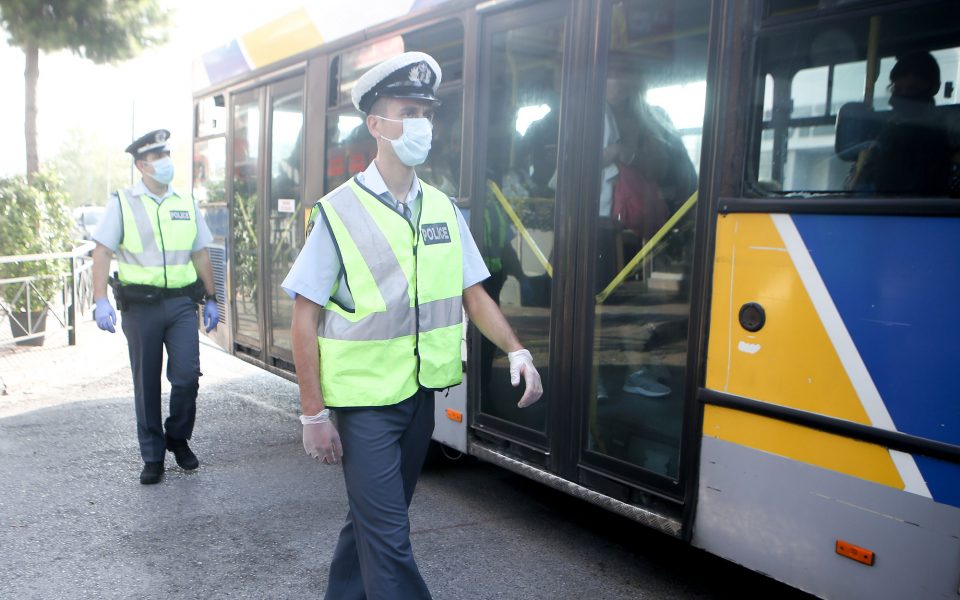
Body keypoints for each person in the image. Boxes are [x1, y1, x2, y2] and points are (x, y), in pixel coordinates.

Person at [283, 51, 544, 599]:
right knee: (390, 539)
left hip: (419, 399)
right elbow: (304, 317)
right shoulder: (339, 211)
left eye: (427, 111)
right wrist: (312, 413)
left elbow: (475, 295)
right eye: (408, 110)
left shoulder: (445, 210)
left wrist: (516, 349)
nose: (422, 123)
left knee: (373, 525)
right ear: (376, 125)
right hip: (364, 408)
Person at [91, 129, 220, 485]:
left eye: (167, 155)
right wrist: (100, 299)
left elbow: (200, 252)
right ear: (141, 166)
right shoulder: (123, 202)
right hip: (141, 306)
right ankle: (152, 455)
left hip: (180, 303)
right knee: (146, 383)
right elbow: (101, 251)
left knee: (187, 377)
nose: (165, 163)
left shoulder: (186, 201)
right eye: (156, 158)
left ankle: (177, 436)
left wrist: (211, 297)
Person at [849, 51, 954, 195]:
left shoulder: (949, 131)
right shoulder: (888, 128)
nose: (903, 98)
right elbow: (862, 185)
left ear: (934, 88)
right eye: (897, 89)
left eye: (912, 89)